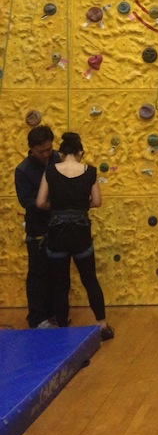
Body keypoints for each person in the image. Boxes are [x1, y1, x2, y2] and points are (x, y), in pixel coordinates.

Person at [35, 132, 113, 340]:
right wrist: (79, 206)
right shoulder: (90, 171)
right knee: (90, 280)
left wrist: (59, 207)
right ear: (81, 153)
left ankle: (62, 328)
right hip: (80, 231)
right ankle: (103, 325)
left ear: (61, 153)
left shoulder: (50, 171)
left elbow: (40, 202)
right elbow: (97, 202)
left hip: (57, 232)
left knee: (60, 283)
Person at [15, 125, 62, 328]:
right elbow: (26, 200)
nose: (45, 154)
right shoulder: (23, 170)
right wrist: (49, 203)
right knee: (37, 273)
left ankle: (53, 313)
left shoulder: (58, 159)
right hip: (37, 227)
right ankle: (37, 317)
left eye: (48, 149)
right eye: (40, 151)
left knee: (57, 271)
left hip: (58, 225)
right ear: (31, 149)